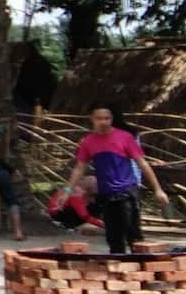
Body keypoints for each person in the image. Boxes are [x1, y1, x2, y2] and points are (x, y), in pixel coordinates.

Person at [66, 104, 171, 253]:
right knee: (113, 237)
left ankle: (140, 270)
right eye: (99, 118)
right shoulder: (88, 142)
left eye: (107, 118)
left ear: (112, 119)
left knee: (133, 234)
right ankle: (118, 268)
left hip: (127, 191)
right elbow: (79, 168)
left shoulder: (125, 137)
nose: (103, 122)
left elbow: (142, 163)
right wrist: (68, 189)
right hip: (106, 193)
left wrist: (158, 189)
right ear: (92, 119)